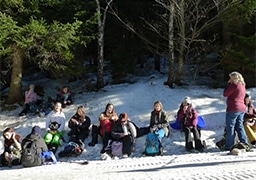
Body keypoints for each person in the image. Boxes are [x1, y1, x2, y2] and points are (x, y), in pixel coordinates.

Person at [223, 71, 248, 150]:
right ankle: (244, 143)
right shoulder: (242, 85)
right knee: (240, 126)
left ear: (233, 78)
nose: (229, 79)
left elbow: (225, 94)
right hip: (242, 108)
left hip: (233, 108)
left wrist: (228, 85)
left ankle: (229, 146)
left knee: (230, 127)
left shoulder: (234, 85)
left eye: (230, 77)